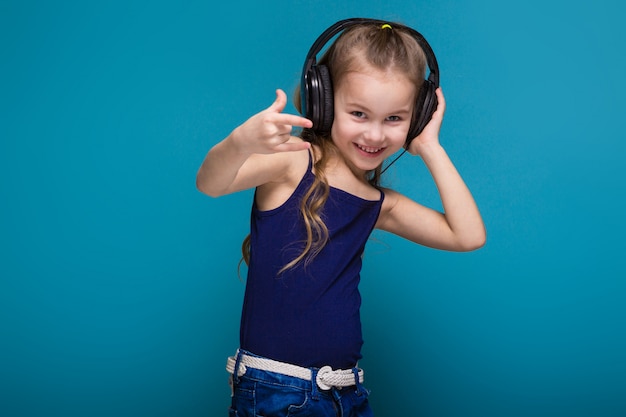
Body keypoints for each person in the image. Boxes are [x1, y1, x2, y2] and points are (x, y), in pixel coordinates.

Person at [196, 18, 485, 417]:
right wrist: (240, 142)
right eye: (359, 114)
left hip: (345, 393)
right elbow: (210, 183)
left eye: (395, 119)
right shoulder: (294, 163)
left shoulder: (378, 203)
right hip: (278, 391)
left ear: (416, 118)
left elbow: (467, 235)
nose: (375, 135)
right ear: (324, 101)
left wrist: (430, 146)